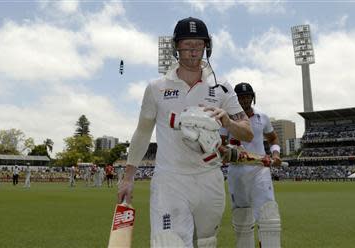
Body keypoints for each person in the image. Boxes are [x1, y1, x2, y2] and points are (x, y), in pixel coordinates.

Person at [117, 17, 253, 248]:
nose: (192, 52)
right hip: (170, 179)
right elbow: (142, 133)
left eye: (198, 45)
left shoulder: (222, 88)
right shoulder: (156, 88)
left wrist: (228, 122)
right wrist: (128, 177)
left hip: (209, 179)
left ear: (207, 47)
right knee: (169, 242)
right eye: (186, 45)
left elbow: (247, 133)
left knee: (206, 242)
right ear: (175, 47)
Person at [220, 82, 282, 248]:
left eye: (247, 96)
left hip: (259, 170)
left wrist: (275, 154)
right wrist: (227, 152)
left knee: (268, 214)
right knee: (242, 217)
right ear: (235, 99)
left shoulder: (262, 117)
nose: (244, 100)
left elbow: (273, 139)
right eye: (240, 97)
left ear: (252, 98)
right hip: (237, 172)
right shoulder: (227, 119)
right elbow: (220, 144)